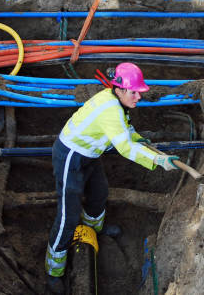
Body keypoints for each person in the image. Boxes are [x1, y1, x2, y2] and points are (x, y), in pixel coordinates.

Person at [45, 62, 179, 294]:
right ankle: (53, 271)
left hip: (90, 154)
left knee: (99, 194)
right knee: (68, 215)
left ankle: (92, 232)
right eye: (134, 92)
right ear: (119, 89)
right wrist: (157, 160)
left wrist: (140, 139)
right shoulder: (109, 108)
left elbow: (126, 129)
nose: (139, 96)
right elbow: (125, 148)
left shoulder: (117, 101)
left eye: (140, 91)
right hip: (71, 157)